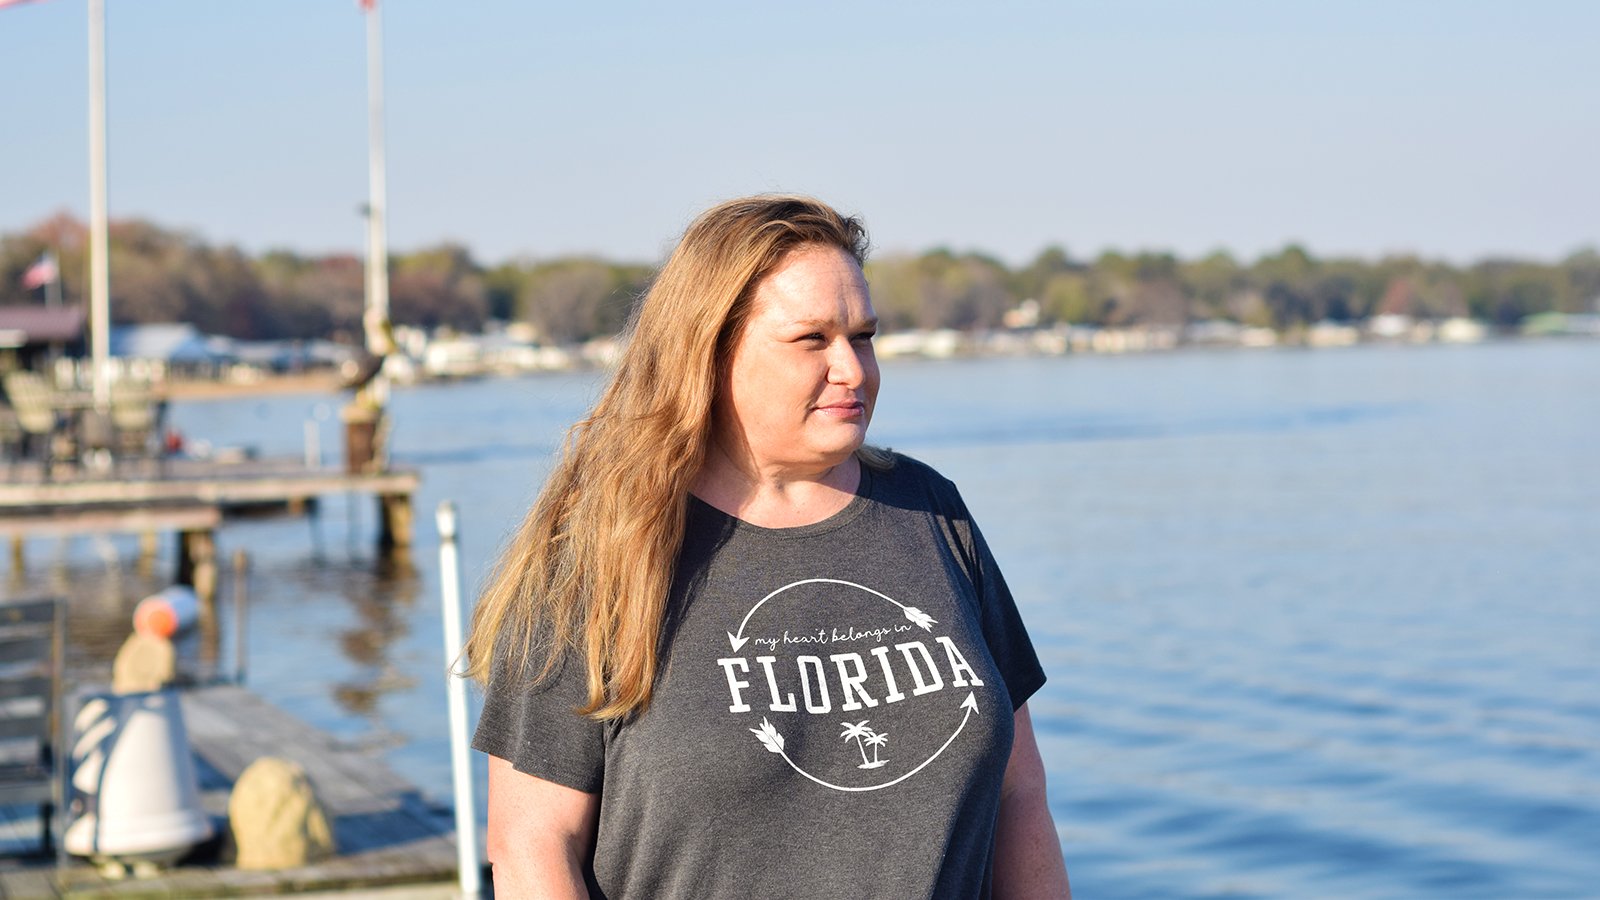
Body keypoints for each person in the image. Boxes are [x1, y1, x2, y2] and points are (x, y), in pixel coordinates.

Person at [465, 195, 1071, 899]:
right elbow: (530, 844)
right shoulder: (604, 551)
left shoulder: (931, 512)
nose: (852, 369)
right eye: (811, 340)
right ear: (710, 350)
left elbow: (1019, 795)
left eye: (863, 336)